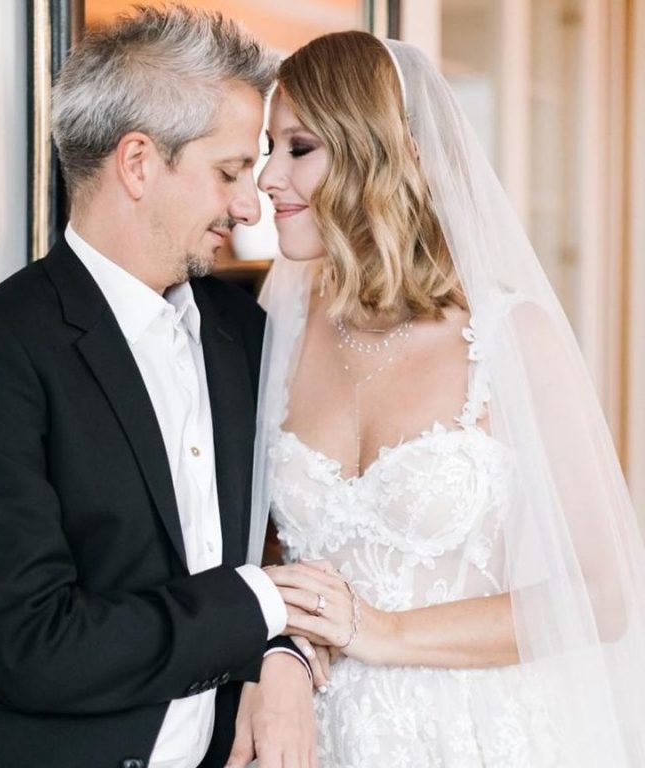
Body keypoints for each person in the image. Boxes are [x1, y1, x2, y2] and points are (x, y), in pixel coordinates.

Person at [0, 7, 318, 768]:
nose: (250, 206)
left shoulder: (247, 335)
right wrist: (260, 603)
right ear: (138, 163)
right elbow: (34, 645)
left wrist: (283, 652)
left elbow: (287, 533)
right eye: (229, 171)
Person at [249, 31, 645, 766]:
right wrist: (282, 653)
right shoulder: (279, 321)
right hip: (317, 734)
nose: (267, 178)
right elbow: (248, 545)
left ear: (381, 155)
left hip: (475, 733)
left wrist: (382, 631)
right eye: (269, 148)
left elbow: (605, 595)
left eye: (299, 148)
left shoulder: (510, 336)